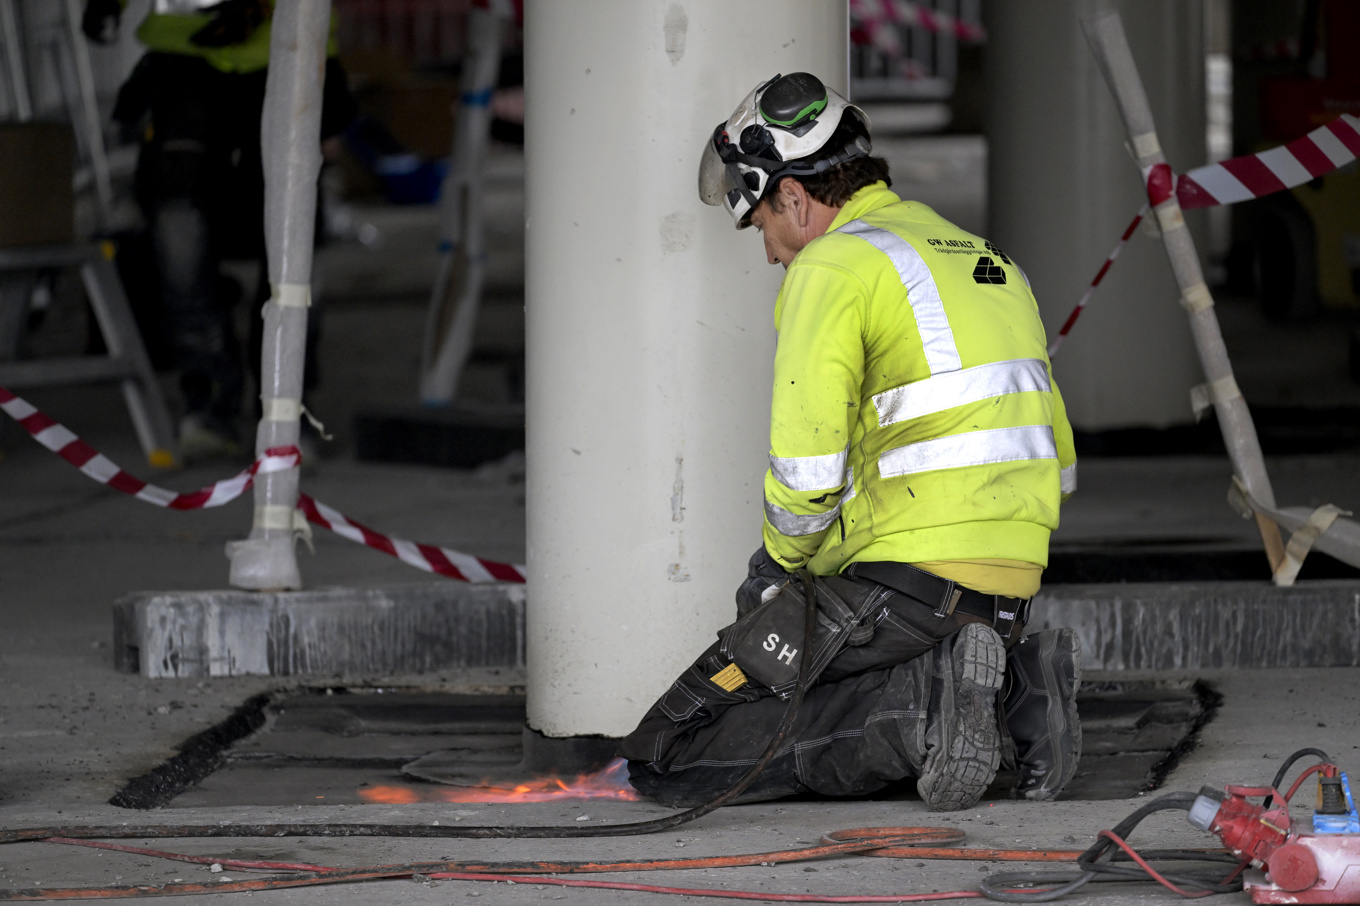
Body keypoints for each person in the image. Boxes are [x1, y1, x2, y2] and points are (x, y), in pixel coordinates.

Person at [622, 73, 1082, 812]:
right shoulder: (983, 258)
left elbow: (807, 475)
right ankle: (1018, 693)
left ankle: (931, 707)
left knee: (672, 752)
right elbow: (1058, 467)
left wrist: (775, 572)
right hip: (1009, 587)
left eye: (761, 225)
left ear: (794, 199)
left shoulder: (833, 265)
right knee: (827, 680)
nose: (770, 253)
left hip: (910, 584)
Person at [83, 0, 354, 462]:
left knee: (293, 246)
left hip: (288, 54)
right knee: (177, 235)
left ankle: (287, 411)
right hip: (186, 62)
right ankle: (208, 407)